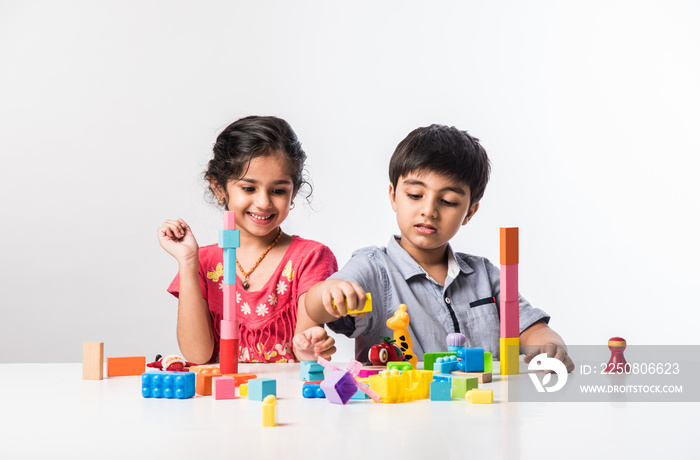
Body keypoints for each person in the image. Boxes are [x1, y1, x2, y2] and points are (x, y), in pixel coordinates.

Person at [305, 124, 575, 372]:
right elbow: (315, 307)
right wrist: (329, 292)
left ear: (470, 212)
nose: (429, 210)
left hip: (483, 414)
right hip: (404, 415)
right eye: (415, 195)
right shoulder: (373, 267)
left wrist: (549, 346)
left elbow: (531, 329)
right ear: (393, 196)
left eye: (447, 201)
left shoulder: (485, 275)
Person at [158, 116, 337, 364]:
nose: (263, 202)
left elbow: (304, 349)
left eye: (278, 190)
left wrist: (311, 348)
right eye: (249, 188)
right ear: (219, 187)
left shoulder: (310, 257)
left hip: (285, 399)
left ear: (293, 191)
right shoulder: (202, 262)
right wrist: (188, 261)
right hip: (223, 400)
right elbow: (197, 355)